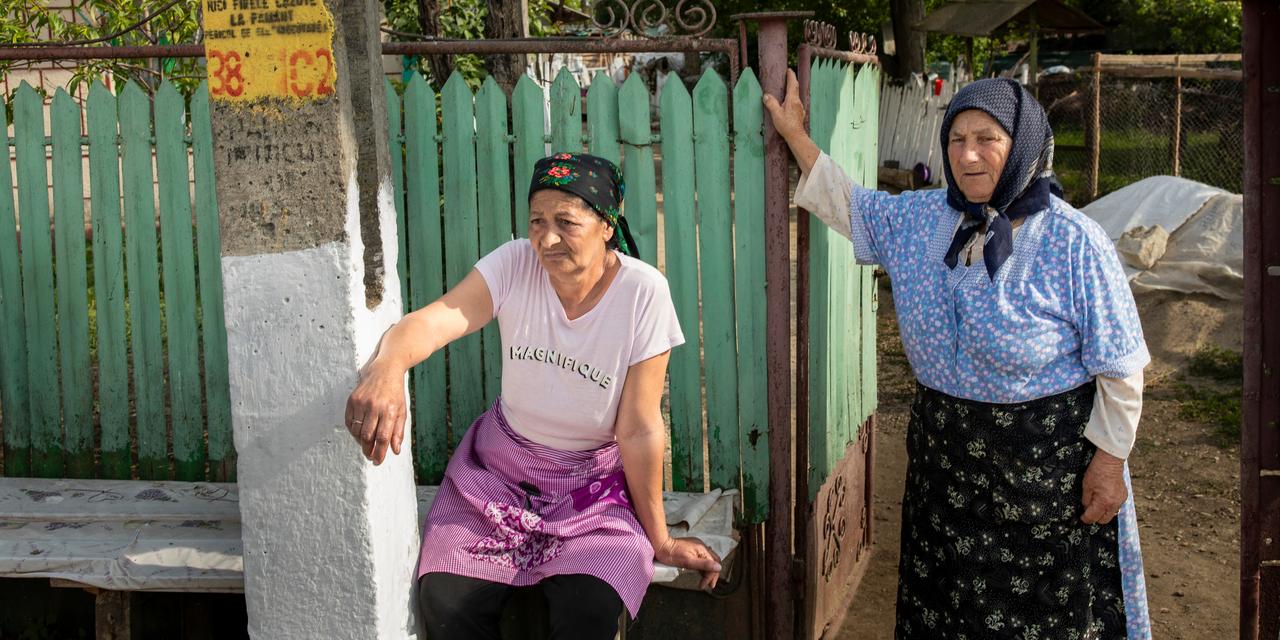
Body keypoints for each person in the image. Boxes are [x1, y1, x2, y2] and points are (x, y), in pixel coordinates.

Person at [764, 73, 1153, 639]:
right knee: (947, 605)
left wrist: (1109, 462)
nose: (967, 156)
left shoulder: (1075, 241)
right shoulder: (921, 219)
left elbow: (1120, 368)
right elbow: (848, 205)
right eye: (955, 139)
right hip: (946, 468)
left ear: (1021, 144)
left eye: (987, 139)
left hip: (1044, 475)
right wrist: (796, 135)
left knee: (1047, 616)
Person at [344, 153, 722, 640]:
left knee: (590, 611)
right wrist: (388, 365)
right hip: (498, 481)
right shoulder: (514, 264)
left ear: (607, 225)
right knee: (445, 600)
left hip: (593, 495)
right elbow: (437, 319)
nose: (546, 239)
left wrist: (662, 539)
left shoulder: (643, 293)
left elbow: (639, 426)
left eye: (566, 222)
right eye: (537, 222)